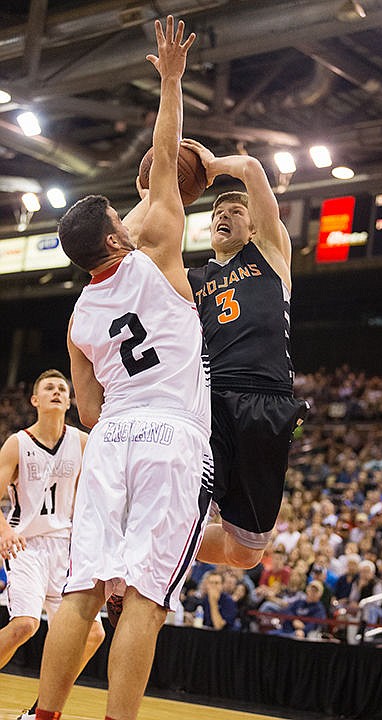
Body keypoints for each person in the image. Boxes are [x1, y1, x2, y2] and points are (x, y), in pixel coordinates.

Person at [33, 17, 211, 720]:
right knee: (145, 598)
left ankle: (44, 714)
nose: (134, 211)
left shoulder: (76, 319)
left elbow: (87, 411)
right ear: (117, 234)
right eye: (121, 212)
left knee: (81, 591)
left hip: (110, 440)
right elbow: (166, 161)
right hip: (169, 435)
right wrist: (170, 78)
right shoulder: (159, 246)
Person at [183, 136, 308, 570]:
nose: (224, 215)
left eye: (236, 212)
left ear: (254, 225)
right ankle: (146, 543)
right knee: (184, 497)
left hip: (267, 398)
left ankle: (160, 537)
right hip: (209, 397)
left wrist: (212, 166)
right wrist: (155, 192)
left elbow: (253, 169)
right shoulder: (192, 279)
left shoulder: (270, 253)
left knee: (248, 553)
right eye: (218, 212)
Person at [0, 370, 105, 719]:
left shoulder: (83, 442)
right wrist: (4, 532)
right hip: (26, 545)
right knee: (24, 625)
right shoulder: (17, 443)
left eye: (63, 388)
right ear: (35, 400)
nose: (58, 391)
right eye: (50, 387)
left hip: (67, 548)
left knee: (92, 635)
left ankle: (38, 711)